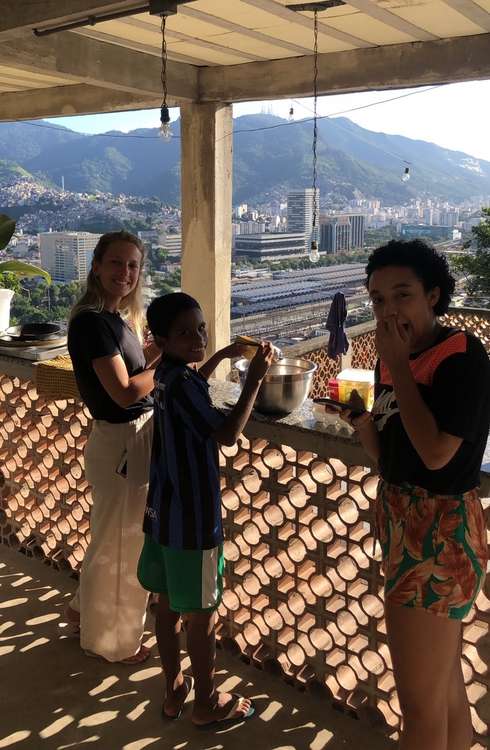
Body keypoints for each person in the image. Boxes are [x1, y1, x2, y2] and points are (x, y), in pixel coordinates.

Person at [333, 240, 489, 750]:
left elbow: (438, 454)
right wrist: (363, 423)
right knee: (442, 691)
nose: (388, 310)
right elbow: (395, 459)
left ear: (433, 296)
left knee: (419, 710)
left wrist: (397, 366)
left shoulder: (461, 354)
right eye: (377, 300)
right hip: (404, 521)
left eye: (402, 295)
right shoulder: (393, 361)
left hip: (438, 535)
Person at [137, 292, 274, 726]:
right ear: (159, 339)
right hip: (194, 520)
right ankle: (207, 702)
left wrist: (220, 355)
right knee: (201, 616)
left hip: (162, 513)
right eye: (185, 333)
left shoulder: (165, 376)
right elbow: (228, 433)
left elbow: (191, 382)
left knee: (165, 605)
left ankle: (174, 688)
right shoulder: (180, 384)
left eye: (201, 328)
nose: (197, 338)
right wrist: (254, 377)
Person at [66, 231, 161, 664]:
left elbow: (134, 371)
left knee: (109, 537)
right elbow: (124, 393)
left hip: (127, 440)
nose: (125, 273)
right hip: (119, 438)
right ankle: (112, 642)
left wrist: (156, 353)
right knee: (121, 544)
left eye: (133, 266)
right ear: (96, 267)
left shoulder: (116, 319)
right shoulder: (91, 323)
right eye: (117, 263)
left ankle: (81, 612)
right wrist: (168, 362)